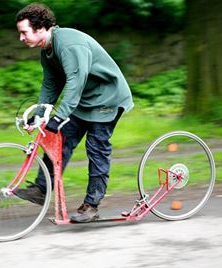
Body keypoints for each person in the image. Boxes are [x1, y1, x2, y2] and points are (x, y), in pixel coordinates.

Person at [14, 3, 134, 223]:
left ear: (40, 27)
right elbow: (50, 86)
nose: (21, 38)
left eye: (24, 32)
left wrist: (59, 116)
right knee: (61, 139)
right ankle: (42, 189)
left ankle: (91, 206)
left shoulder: (68, 45)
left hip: (107, 98)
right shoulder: (47, 50)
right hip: (84, 100)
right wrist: (40, 115)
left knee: (96, 148)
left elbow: (75, 83)